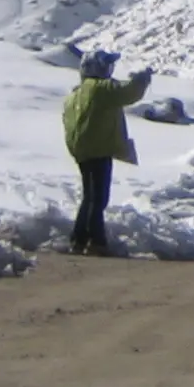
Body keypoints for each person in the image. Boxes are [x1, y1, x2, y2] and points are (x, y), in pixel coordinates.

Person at [61, 50, 151, 256]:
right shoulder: (99, 88)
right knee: (99, 198)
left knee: (89, 196)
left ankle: (78, 239)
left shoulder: (76, 93)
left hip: (82, 149)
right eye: (106, 65)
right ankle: (96, 241)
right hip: (98, 147)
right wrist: (141, 79)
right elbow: (128, 93)